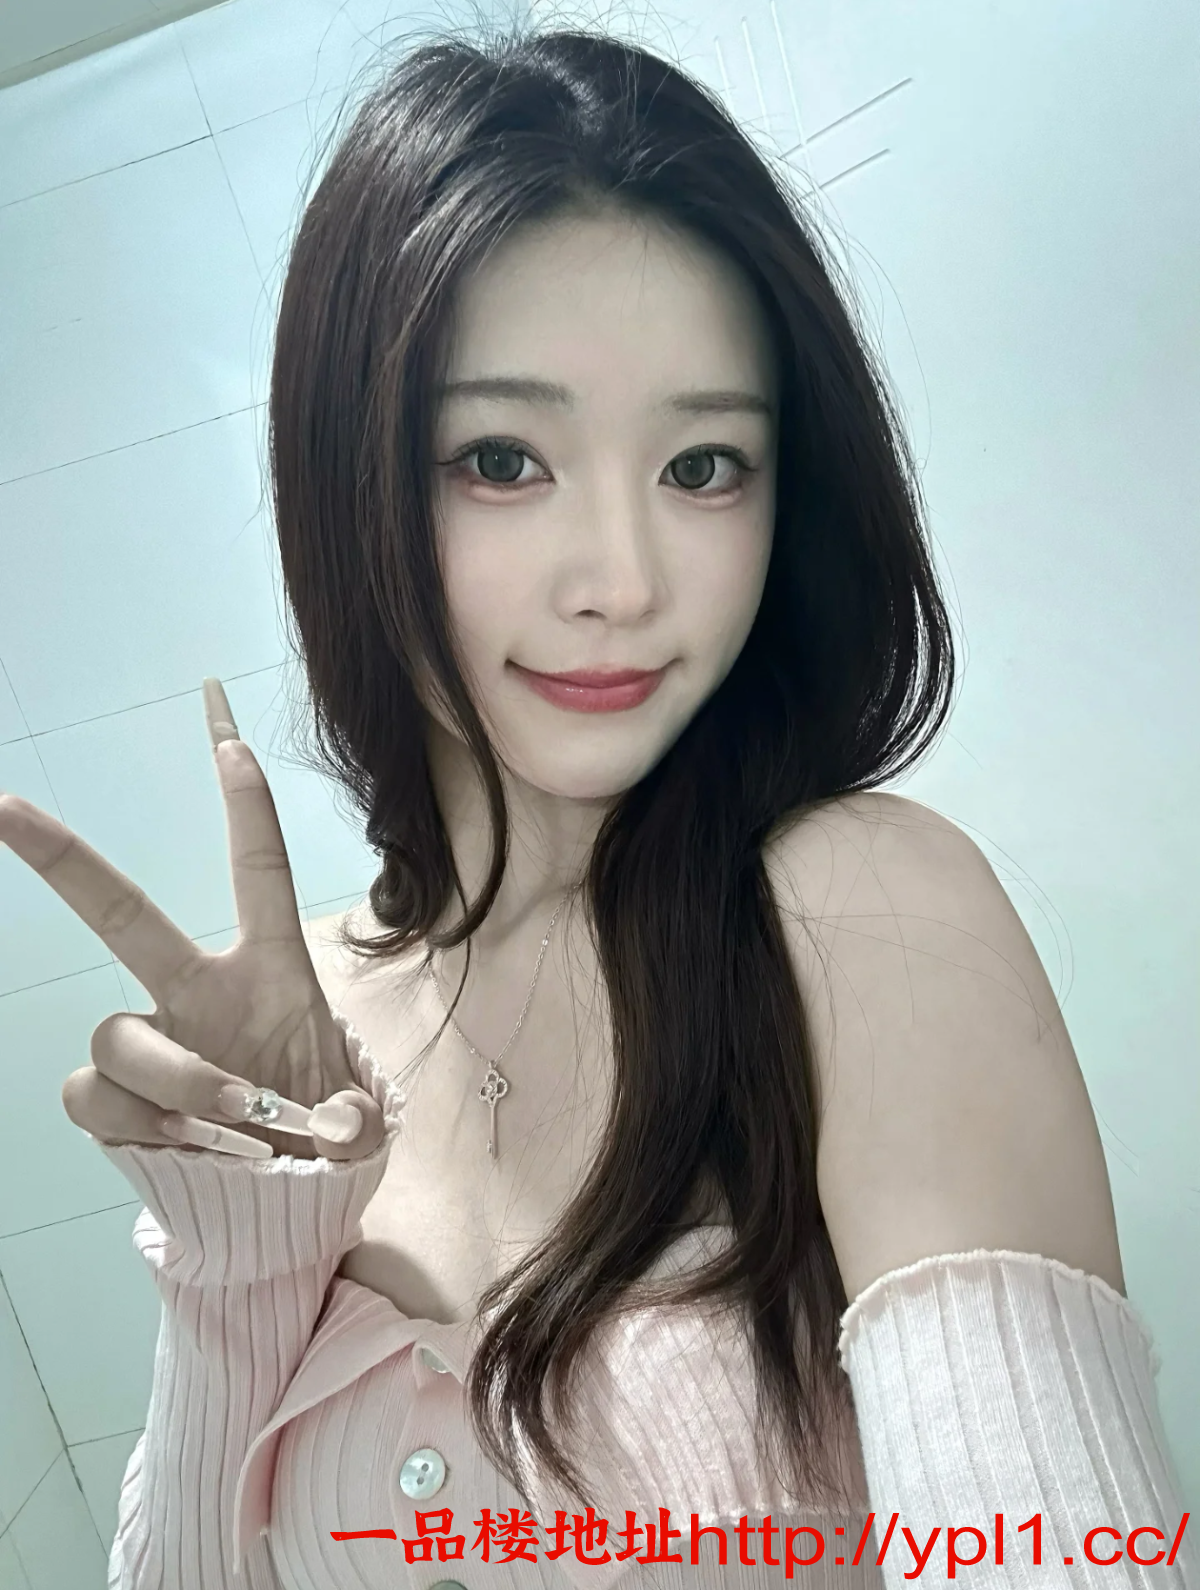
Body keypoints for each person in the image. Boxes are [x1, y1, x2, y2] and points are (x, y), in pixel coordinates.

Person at [1, 20, 1192, 1590]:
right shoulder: (300, 1024)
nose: (622, 582)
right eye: (504, 458)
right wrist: (239, 1249)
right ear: (347, 484)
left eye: (704, 467)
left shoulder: (858, 913)